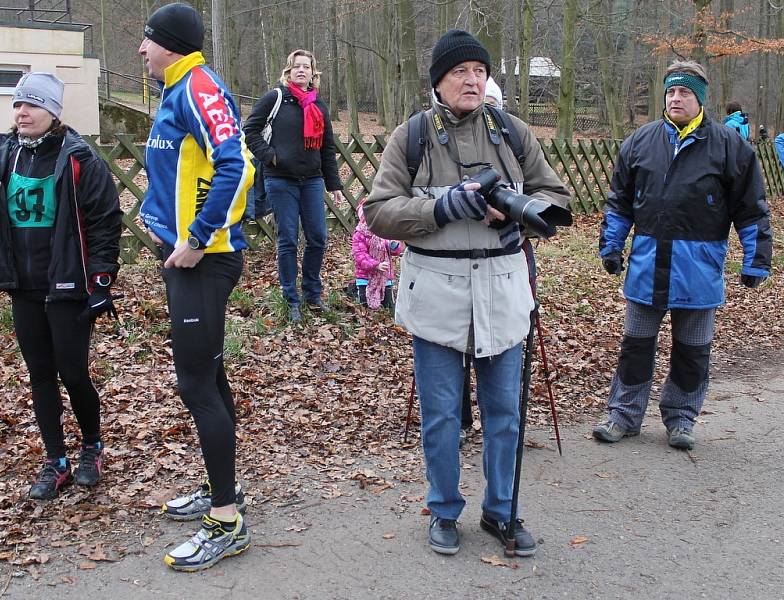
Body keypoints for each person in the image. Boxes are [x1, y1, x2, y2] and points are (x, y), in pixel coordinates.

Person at [365, 29, 570, 557]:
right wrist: (440, 209)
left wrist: (520, 220)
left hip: (503, 294)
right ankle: (443, 510)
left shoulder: (512, 132)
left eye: (479, 71)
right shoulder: (410, 137)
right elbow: (378, 211)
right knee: (440, 416)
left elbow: (555, 197)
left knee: (505, 415)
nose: (472, 80)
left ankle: (502, 512)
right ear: (439, 81)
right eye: (461, 72)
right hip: (436, 294)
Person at [595, 61, 772, 451]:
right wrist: (611, 245)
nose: (676, 98)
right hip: (646, 268)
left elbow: (751, 208)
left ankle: (681, 419)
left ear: (701, 100)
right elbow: (620, 203)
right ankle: (624, 416)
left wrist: (756, 258)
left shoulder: (730, 147)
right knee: (635, 347)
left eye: (685, 92)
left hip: (699, 271)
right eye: (671, 91)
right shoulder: (640, 142)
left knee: (692, 352)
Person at [138, 3, 254, 571]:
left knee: (195, 385)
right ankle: (221, 490)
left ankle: (226, 521)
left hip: (202, 262)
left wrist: (197, 237)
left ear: (170, 44)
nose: (140, 50)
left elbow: (234, 166)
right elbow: (184, 167)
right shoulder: (178, 87)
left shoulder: (198, 87)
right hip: (186, 256)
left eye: (148, 41)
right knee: (208, 375)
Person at [0, 72, 122, 500]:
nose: (22, 112)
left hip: (67, 285)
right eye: (18, 105)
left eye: (33, 105)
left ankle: (92, 447)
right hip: (23, 285)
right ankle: (55, 459)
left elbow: (105, 221)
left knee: (74, 373)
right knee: (40, 375)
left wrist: (101, 281)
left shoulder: (78, 157)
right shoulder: (4, 155)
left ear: (53, 112)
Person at [243, 50, 342, 323]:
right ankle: (291, 298)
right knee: (288, 238)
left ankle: (312, 293)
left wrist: (334, 184)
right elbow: (250, 130)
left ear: (313, 73)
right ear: (288, 71)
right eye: (296, 66)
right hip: (280, 180)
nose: (301, 71)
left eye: (306, 67)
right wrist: (271, 156)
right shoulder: (275, 98)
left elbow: (327, 147)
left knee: (318, 238)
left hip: (311, 181)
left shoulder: (318, 105)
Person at [351, 200, 402, 310]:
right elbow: (360, 255)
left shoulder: (384, 231)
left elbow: (395, 250)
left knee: (387, 305)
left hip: (384, 275)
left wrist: (394, 246)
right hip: (365, 276)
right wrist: (376, 265)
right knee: (364, 304)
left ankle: (387, 313)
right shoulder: (360, 234)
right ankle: (359, 299)